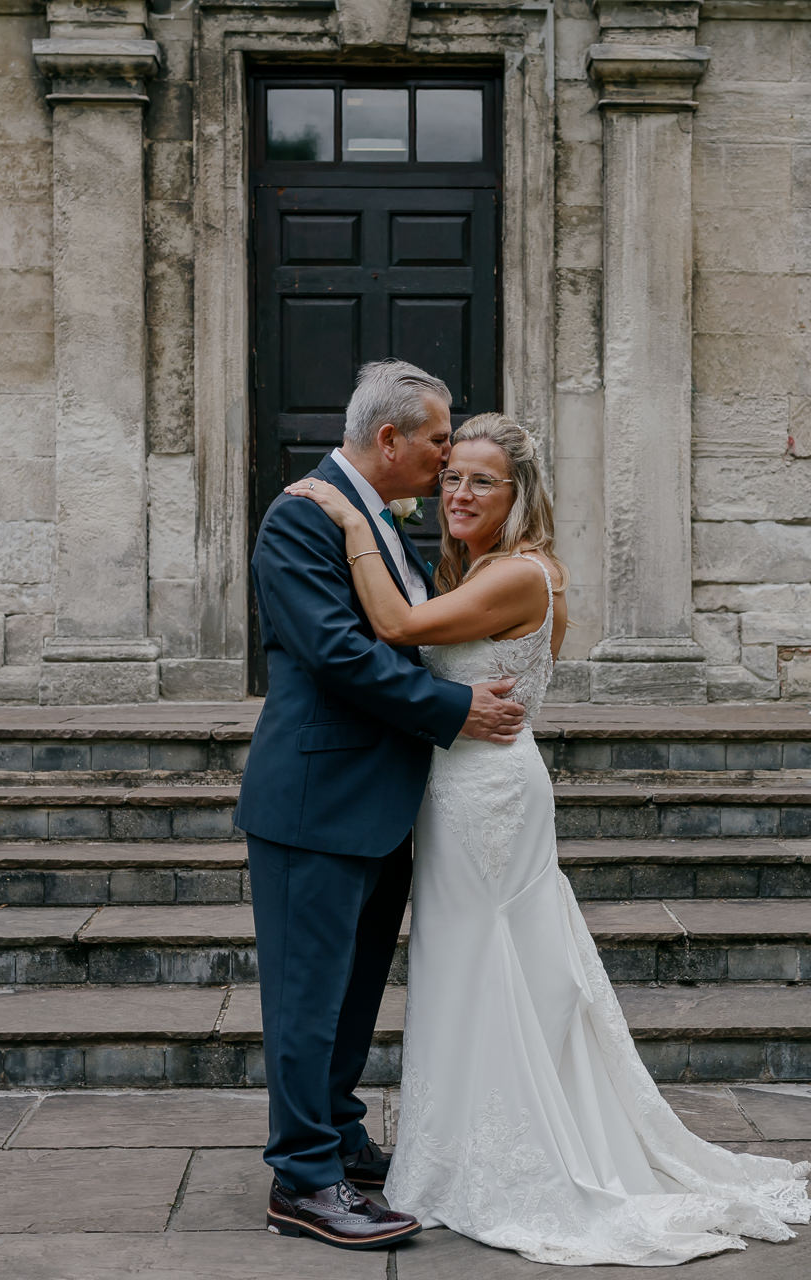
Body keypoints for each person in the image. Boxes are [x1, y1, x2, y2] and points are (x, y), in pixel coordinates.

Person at [282, 411, 811, 1266]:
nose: (458, 492)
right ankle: (464, 1145)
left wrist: (355, 520)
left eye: (481, 481)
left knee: (488, 964)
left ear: (520, 493)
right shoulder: (476, 568)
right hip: (458, 789)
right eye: (452, 475)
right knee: (470, 968)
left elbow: (395, 629)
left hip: (486, 797)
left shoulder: (519, 574)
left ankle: (510, 1156)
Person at [235, 360, 528, 1251]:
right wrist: (454, 708)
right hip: (315, 799)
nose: (447, 457)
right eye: (439, 440)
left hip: (379, 801)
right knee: (306, 997)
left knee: (354, 991)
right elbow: (335, 653)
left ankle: (336, 1131)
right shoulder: (301, 517)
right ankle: (302, 1179)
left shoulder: (377, 520)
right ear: (391, 439)